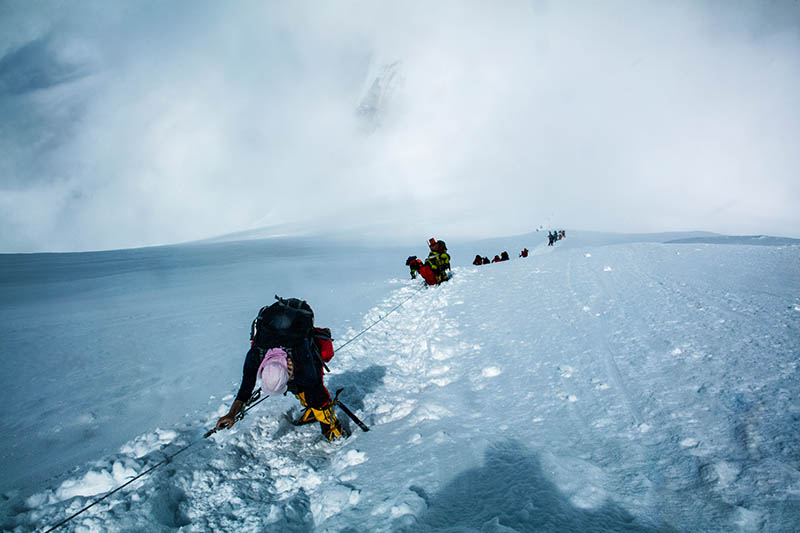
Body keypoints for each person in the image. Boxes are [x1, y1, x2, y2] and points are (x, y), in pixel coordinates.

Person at [215, 297, 344, 441]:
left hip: (300, 344)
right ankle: (312, 408)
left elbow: (313, 381)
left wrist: (295, 375)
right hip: (283, 347)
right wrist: (232, 413)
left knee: (315, 393)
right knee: (296, 386)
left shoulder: (299, 350)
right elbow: (245, 388)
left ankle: (331, 426)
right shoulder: (256, 354)